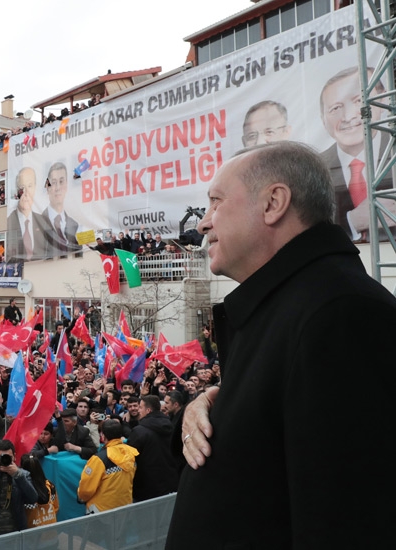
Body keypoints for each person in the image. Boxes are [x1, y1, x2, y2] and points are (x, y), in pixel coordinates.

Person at [168, 141, 396, 548]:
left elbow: (349, 521)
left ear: (274, 203)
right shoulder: (286, 308)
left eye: (216, 202)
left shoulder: (341, 315)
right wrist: (205, 414)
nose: (203, 223)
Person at [317, 66, 396, 240]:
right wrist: (351, 222)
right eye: (336, 108)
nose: (348, 116)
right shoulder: (313, 168)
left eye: (358, 101)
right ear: (323, 120)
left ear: (381, 101)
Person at [77, 419, 138, 514]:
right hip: (125, 507)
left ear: (102, 435)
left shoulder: (99, 459)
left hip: (100, 512)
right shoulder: (130, 454)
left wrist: (80, 497)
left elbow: (86, 489)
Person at [127, 396, 178, 502]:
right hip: (169, 484)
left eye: (140, 407)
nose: (138, 410)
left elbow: (130, 459)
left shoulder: (139, 431)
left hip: (145, 488)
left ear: (148, 410)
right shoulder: (172, 426)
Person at [36, 162, 81, 257]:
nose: (57, 188)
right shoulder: (38, 223)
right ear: (48, 188)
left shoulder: (75, 225)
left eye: (61, 182)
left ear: (66, 186)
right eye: (53, 183)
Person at [6, 167, 47, 261]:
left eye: (29, 186)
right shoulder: (9, 222)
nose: (26, 192)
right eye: (22, 188)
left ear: (35, 188)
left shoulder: (44, 222)